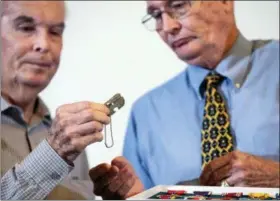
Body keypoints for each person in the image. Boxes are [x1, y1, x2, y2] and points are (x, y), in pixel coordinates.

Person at [89, 0, 279, 199]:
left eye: (179, 6)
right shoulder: (146, 112)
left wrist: (276, 178)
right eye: (156, 15)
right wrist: (137, 197)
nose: (168, 27)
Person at [1, 1, 111, 199]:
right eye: (26, 28)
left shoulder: (64, 134)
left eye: (55, 32)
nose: (44, 44)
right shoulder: (61, 142)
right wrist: (54, 153)